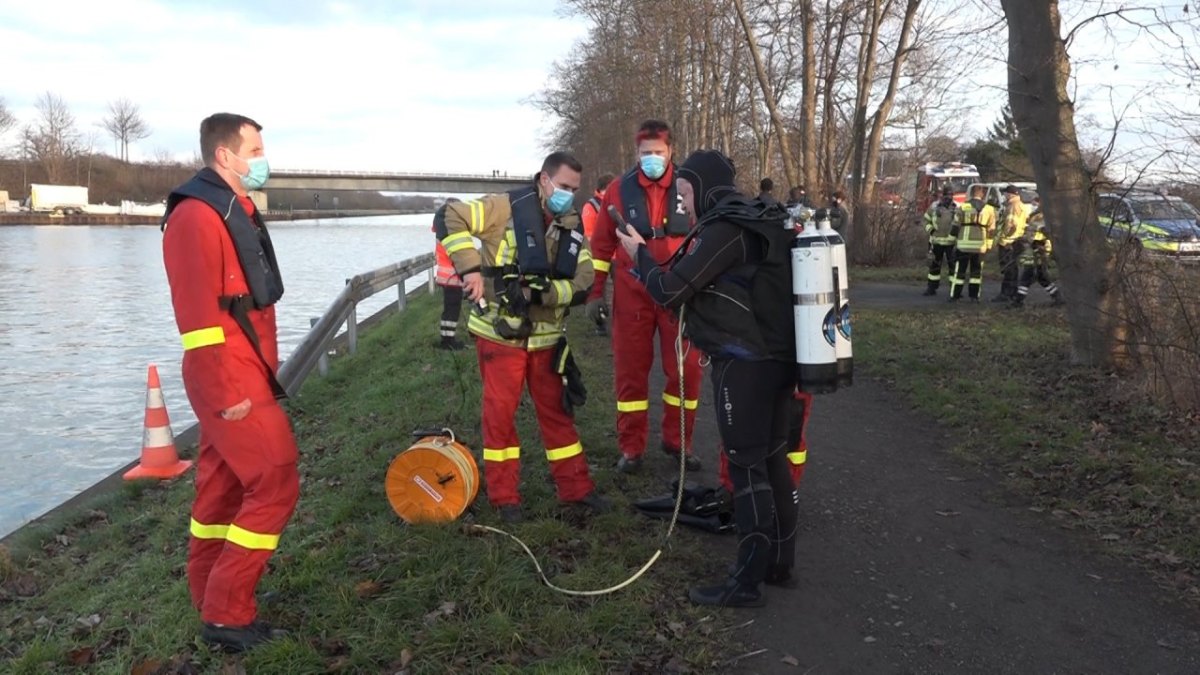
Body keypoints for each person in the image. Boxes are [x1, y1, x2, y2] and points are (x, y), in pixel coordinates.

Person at [615, 149, 799, 608]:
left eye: (684, 194)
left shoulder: (726, 227)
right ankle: (778, 564)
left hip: (746, 362)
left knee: (746, 466)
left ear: (703, 187)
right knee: (773, 459)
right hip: (780, 359)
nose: (682, 205)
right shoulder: (765, 217)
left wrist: (639, 255)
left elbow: (668, 289)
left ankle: (745, 583)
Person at [161, 113, 299, 652]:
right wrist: (227, 395)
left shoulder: (233, 207)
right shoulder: (197, 217)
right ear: (226, 155)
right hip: (229, 375)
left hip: (248, 368)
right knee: (276, 479)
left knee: (223, 486)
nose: (264, 158)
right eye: (257, 148)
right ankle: (225, 613)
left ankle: (207, 594)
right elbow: (197, 320)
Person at [440, 151, 609, 524]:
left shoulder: (571, 224)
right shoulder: (503, 208)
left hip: (547, 340)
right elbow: (450, 217)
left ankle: (576, 490)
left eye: (575, 189)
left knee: (559, 416)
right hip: (500, 339)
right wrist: (469, 270)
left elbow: (583, 280)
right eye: (563, 186)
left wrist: (540, 295)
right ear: (543, 179)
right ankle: (505, 499)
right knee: (499, 419)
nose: (569, 195)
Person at [585, 119, 703, 474]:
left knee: (685, 374)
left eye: (658, 152)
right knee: (630, 374)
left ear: (671, 153)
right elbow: (602, 245)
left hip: (677, 290)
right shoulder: (619, 191)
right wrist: (595, 293)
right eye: (645, 153)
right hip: (632, 292)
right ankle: (631, 448)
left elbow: (707, 236)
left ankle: (677, 442)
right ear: (636, 153)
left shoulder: (689, 188)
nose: (651, 158)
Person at [580, 172, 615, 335]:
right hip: (599, 257)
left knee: (615, 292)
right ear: (603, 188)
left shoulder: (616, 203)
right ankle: (601, 323)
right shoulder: (591, 206)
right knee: (599, 292)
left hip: (617, 257)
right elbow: (588, 234)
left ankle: (613, 322)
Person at [1011, 197, 1063, 307]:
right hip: (1036, 249)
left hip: (1038, 249)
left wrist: (1027, 241)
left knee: (1027, 275)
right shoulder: (1039, 216)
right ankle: (1057, 296)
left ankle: (1018, 300)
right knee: (1041, 276)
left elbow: (1039, 232)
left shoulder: (1043, 217)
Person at [949, 184, 997, 302]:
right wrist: (989, 244)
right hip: (980, 246)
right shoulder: (990, 209)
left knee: (959, 272)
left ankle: (955, 296)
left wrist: (951, 239)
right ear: (983, 195)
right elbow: (991, 230)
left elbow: (955, 224)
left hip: (963, 245)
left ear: (971, 193)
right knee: (976, 273)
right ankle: (974, 297)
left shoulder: (964, 207)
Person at [432, 198, 465, 350]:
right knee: (452, 310)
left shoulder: (442, 227)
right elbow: (457, 253)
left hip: (447, 276)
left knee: (449, 310)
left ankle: (447, 338)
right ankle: (448, 341)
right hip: (452, 277)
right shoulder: (450, 229)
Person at [992, 184, 1028, 303]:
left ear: (1010, 194)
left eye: (1006, 193)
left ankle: (1006, 293)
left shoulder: (1012, 206)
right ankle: (1012, 292)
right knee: (1013, 268)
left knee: (1008, 269)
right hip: (1017, 241)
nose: (1004, 195)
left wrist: (1004, 236)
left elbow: (1010, 224)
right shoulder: (1021, 205)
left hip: (1008, 242)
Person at [922, 186, 958, 296]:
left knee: (953, 266)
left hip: (952, 243)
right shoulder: (934, 206)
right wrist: (931, 230)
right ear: (942, 195)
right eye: (946, 195)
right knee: (934, 266)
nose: (948, 197)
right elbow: (925, 220)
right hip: (936, 242)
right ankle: (931, 288)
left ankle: (954, 289)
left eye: (950, 195)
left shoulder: (957, 207)